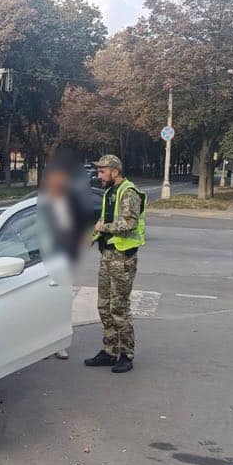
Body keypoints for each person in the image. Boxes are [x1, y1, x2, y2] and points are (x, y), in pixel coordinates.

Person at [84, 155, 146, 373]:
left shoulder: (128, 192)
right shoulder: (110, 192)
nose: (99, 176)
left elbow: (130, 223)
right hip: (108, 255)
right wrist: (91, 238)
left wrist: (103, 228)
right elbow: (103, 221)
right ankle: (110, 350)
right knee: (104, 306)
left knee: (119, 308)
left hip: (123, 258)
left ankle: (126, 354)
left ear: (115, 171)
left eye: (102, 172)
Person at [39, 149, 99, 360]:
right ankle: (39, 342)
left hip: (63, 260)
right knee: (40, 301)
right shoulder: (42, 204)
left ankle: (58, 343)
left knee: (62, 302)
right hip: (40, 262)